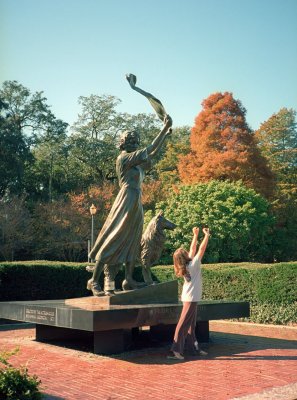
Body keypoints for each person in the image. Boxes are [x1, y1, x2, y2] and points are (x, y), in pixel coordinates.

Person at [87, 114, 173, 296]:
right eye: (130, 140)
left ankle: (128, 279)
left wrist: (165, 136)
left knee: (134, 239)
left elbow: (152, 153)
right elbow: (150, 149)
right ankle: (94, 280)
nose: (134, 143)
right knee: (114, 236)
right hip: (126, 199)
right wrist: (164, 129)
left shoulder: (137, 165)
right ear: (123, 143)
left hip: (136, 201)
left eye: (136, 140)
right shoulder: (124, 158)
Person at [168, 226, 210, 360]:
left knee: (191, 326)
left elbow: (193, 249)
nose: (188, 251)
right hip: (190, 299)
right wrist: (207, 235)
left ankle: (194, 349)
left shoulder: (187, 265)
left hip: (190, 298)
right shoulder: (194, 264)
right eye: (185, 252)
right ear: (184, 257)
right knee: (183, 324)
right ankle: (175, 350)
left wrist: (195, 235)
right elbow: (201, 249)